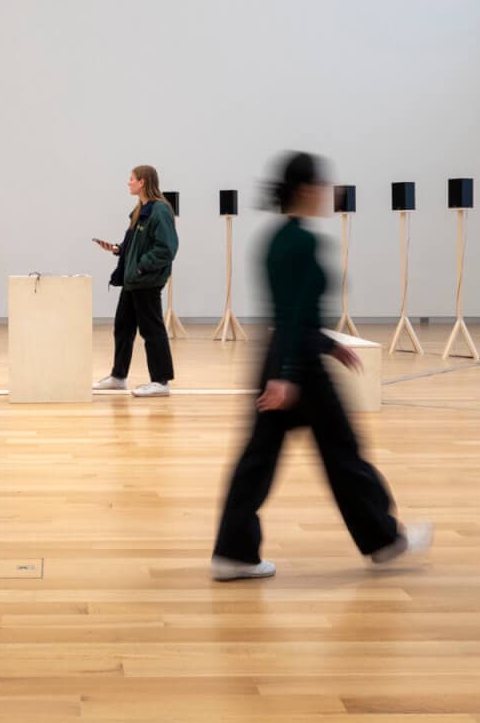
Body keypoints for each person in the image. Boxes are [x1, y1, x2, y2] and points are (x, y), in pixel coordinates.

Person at [211, 152, 430, 581]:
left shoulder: (275, 238)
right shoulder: (303, 242)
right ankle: (384, 541)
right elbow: (294, 311)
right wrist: (289, 374)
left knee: (259, 460)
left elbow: (290, 312)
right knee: (342, 453)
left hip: (282, 357)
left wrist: (324, 344)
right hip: (298, 370)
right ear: (307, 190)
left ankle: (232, 553)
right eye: (324, 185)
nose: (329, 193)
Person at [92, 164, 178, 398]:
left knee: (152, 331)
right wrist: (119, 249)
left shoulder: (159, 210)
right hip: (133, 280)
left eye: (131, 179)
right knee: (123, 328)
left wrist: (141, 266)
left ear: (142, 182)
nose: (128, 182)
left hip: (146, 281)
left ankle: (161, 382)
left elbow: (166, 249)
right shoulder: (140, 209)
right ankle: (118, 377)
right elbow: (135, 244)